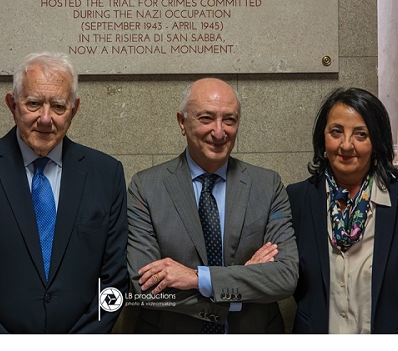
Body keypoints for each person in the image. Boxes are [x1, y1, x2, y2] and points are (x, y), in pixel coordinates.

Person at [0, 52, 128, 333]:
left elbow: (115, 283)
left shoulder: (106, 174)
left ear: (75, 109)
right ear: (12, 104)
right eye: (33, 104)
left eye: (58, 106)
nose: (45, 119)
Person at [126, 78, 298, 333]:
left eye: (229, 120)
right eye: (206, 118)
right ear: (182, 122)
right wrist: (240, 285)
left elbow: (285, 277)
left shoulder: (267, 185)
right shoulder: (146, 187)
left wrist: (197, 279)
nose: (219, 132)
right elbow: (145, 288)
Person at [286, 87, 398, 334]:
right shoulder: (297, 200)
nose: (346, 145)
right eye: (336, 132)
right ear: (322, 137)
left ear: (377, 143)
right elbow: (298, 285)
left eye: (361, 134)